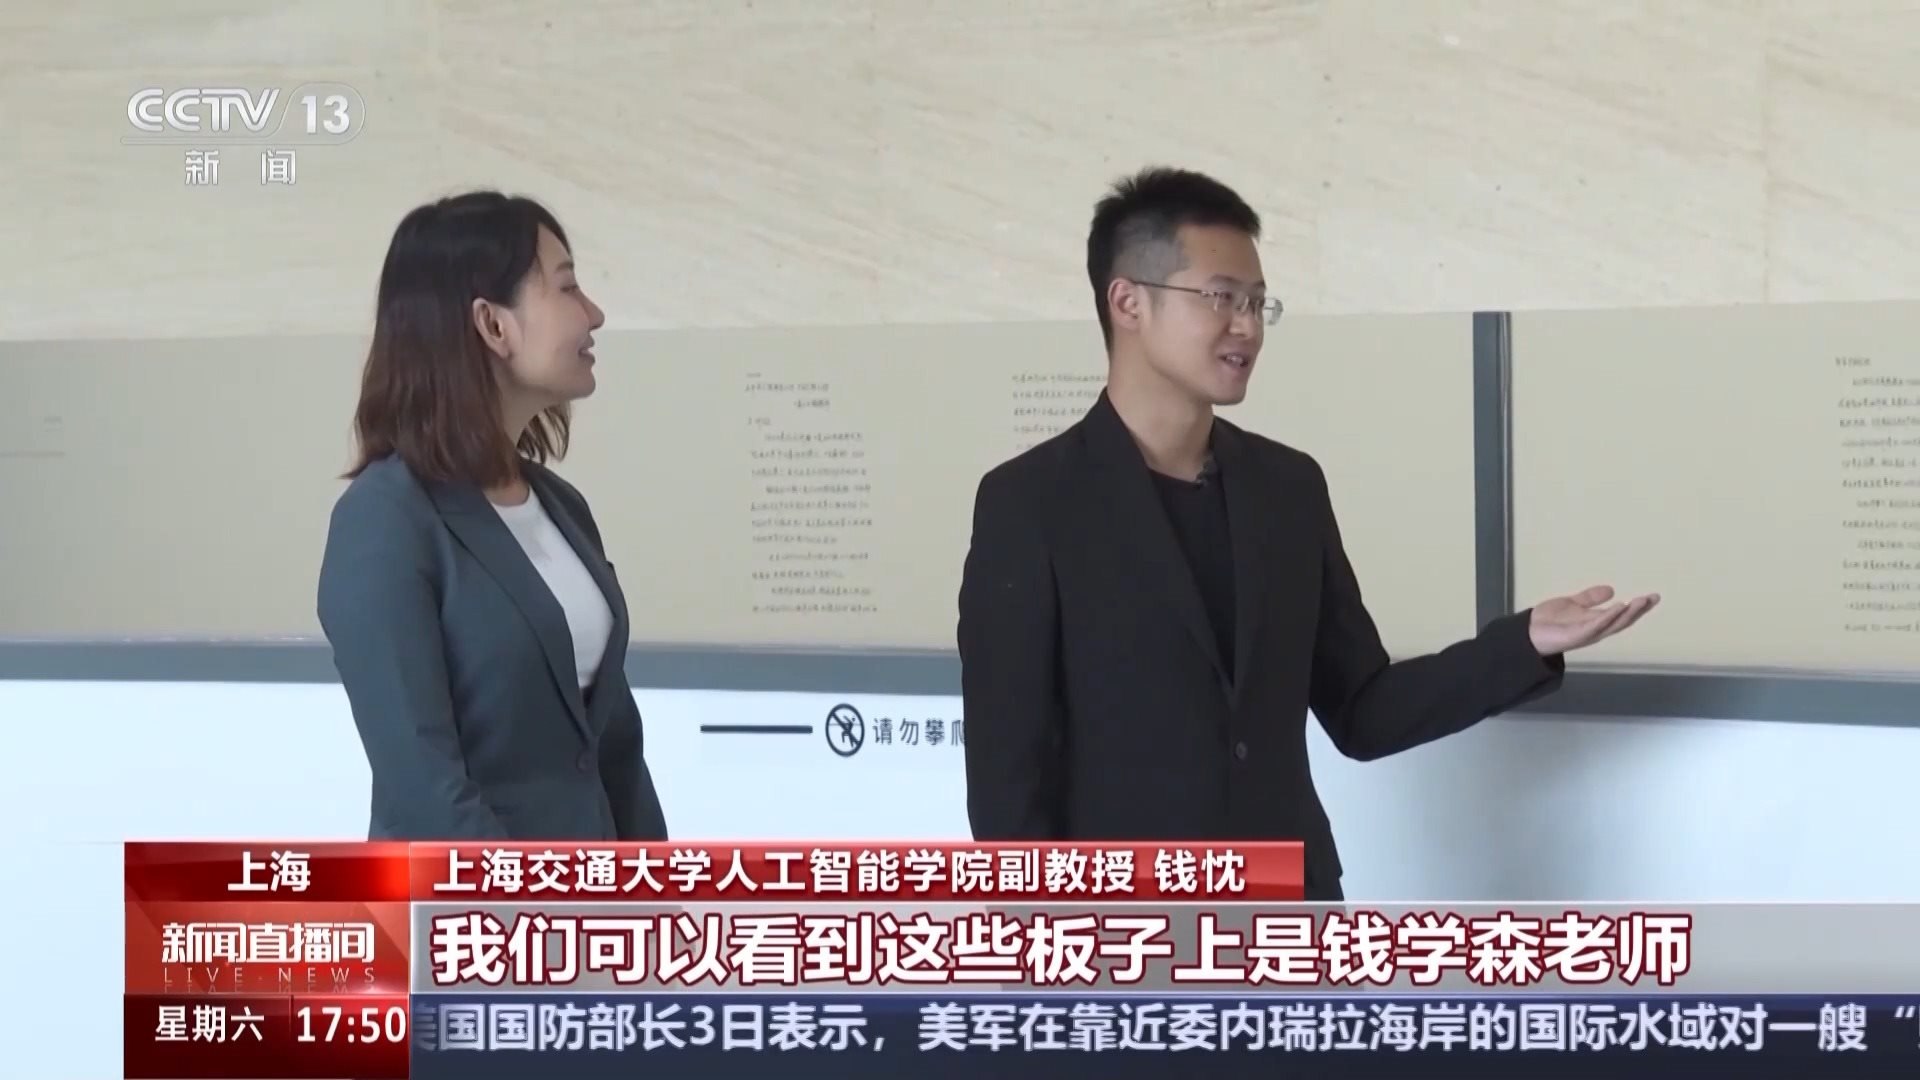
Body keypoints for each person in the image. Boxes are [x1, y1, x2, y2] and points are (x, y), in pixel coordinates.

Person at [956, 167, 1656, 900]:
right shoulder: (1030, 505)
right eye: (1221, 298)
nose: (1248, 327)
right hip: (1130, 935)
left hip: (1293, 916)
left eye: (1258, 303)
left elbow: (1364, 711)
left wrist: (1524, 643)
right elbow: (1009, 793)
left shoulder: (1285, 488)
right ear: (1128, 301)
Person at [317, 191, 668, 842]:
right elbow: (423, 789)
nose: (594, 314)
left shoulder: (563, 508)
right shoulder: (384, 521)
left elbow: (615, 751)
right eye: (567, 287)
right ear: (493, 325)